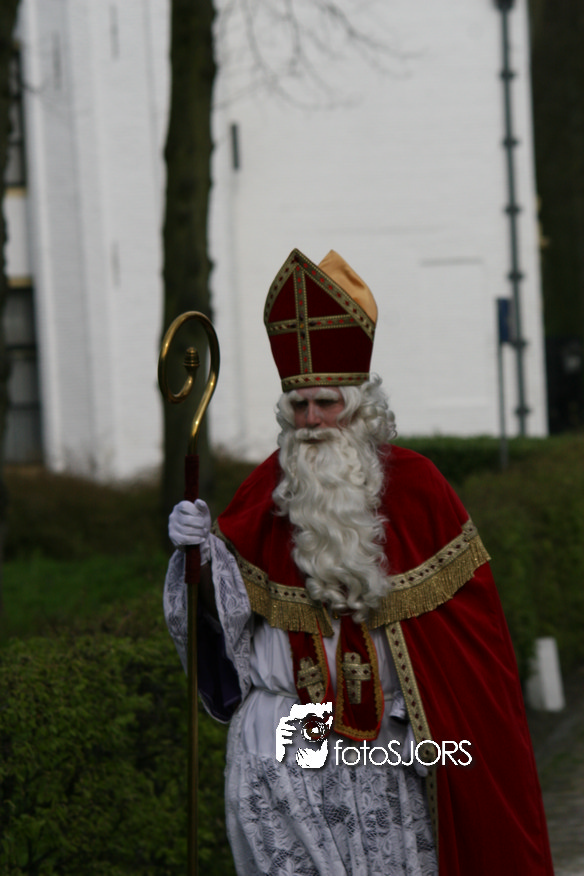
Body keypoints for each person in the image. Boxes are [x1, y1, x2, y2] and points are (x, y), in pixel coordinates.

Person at [164, 248, 554, 876]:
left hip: (389, 758)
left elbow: (470, 652)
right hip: (280, 755)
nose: (312, 421)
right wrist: (197, 555)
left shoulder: (420, 491)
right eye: (298, 407)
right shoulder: (263, 494)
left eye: (326, 403)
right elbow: (219, 627)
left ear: (360, 404)